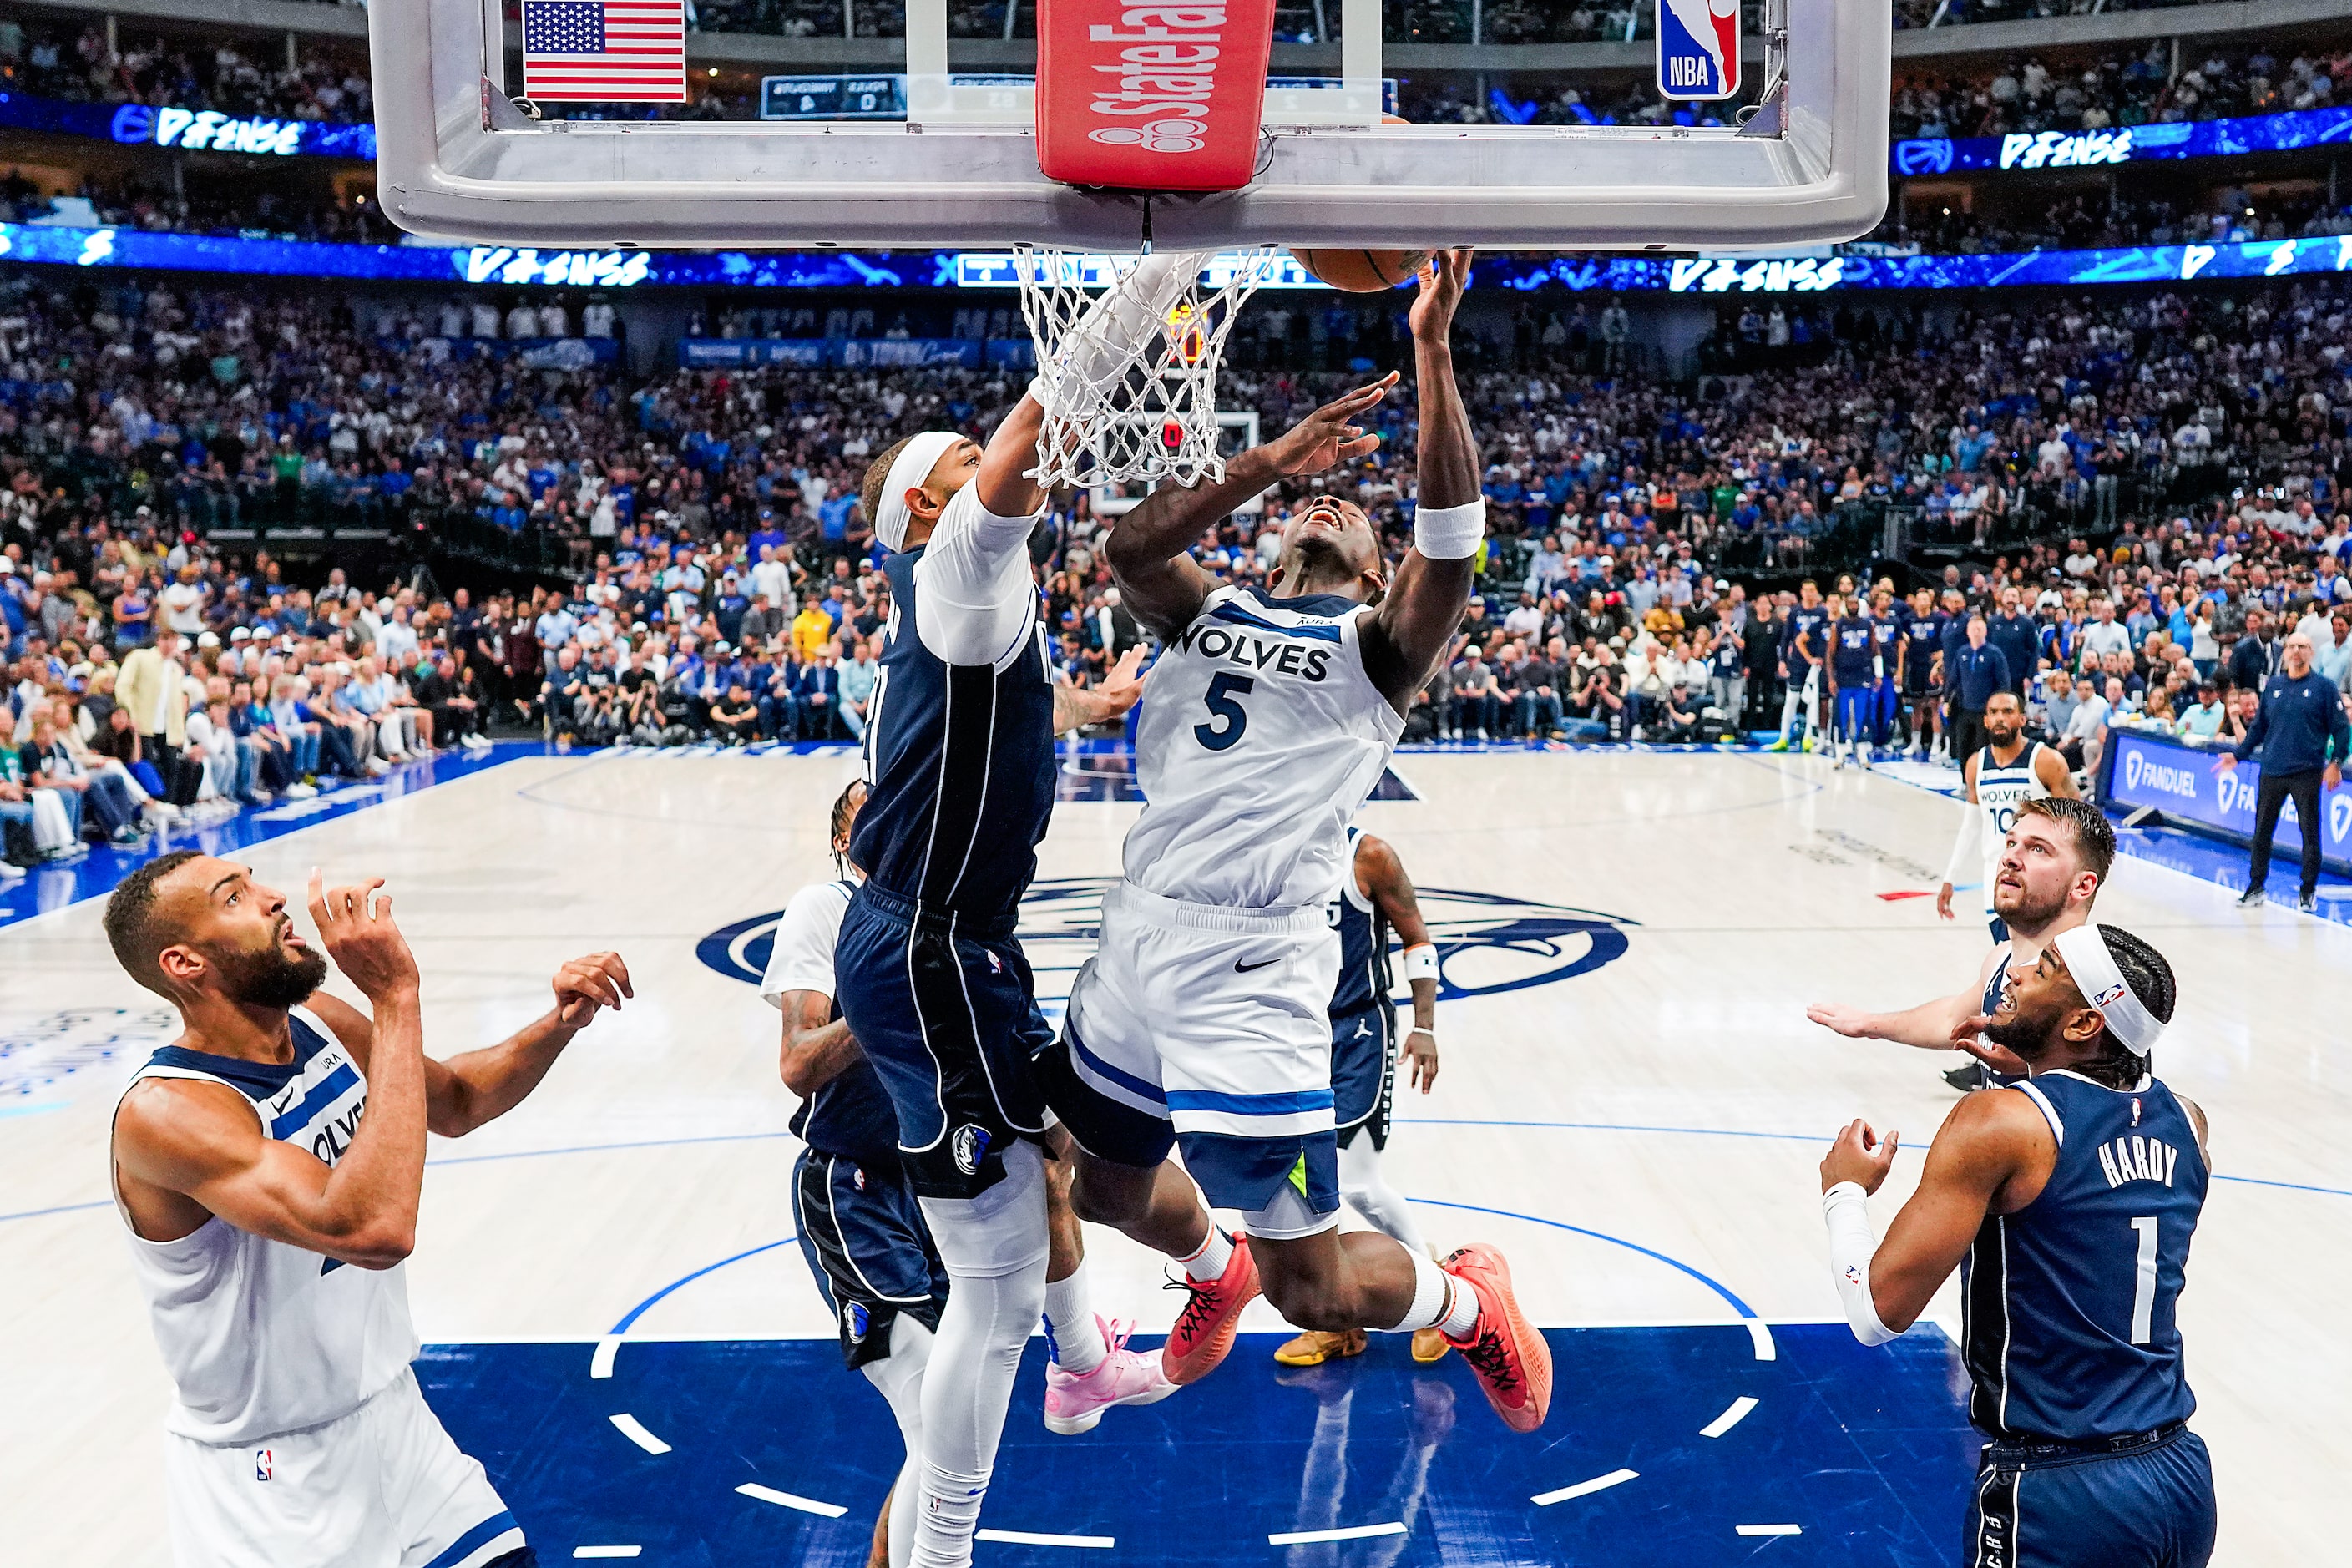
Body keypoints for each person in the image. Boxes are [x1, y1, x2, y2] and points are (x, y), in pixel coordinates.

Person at [1041, 251, 1555, 1437]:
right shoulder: (1204, 608)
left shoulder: (1380, 649)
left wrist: (1430, 350)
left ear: (1380, 571)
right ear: (1275, 544)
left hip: (1253, 965)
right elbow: (1128, 548)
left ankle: (1465, 1302)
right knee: (1103, 1182)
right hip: (1137, 931)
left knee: (1313, 1288)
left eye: (1358, 521)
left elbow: (1457, 538)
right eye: (1311, 507)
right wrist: (1267, 462)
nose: (1331, 511)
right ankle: (1210, 1268)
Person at [833, 247, 1227, 1568]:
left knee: (1037, 1188)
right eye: (952, 464)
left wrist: (1079, 707)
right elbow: (1028, 425)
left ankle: (1087, 1357)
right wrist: (1160, 272)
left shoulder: (971, 605)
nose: (986, 464)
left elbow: (991, 719)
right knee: (991, 1287)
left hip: (945, 944)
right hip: (931, 949)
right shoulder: (954, 569)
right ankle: (946, 1540)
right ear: (922, 513)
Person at [104, 851, 632, 1568]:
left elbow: (457, 1101)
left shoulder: (316, 1020)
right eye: (235, 897)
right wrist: (395, 998)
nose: (274, 898)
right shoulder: (170, 1111)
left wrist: (561, 1022)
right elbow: (371, 1229)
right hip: (273, 1481)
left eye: (256, 881)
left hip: (393, 1417)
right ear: (185, 963)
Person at [763, 781, 1168, 1568]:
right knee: (931, 1418)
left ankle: (1079, 1361)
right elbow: (797, 1064)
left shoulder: (954, 927)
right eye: (866, 813)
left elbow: (1036, 1079)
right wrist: (891, 996)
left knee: (951, 1429)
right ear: (847, 844)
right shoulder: (826, 908)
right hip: (857, 1187)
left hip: (948, 1190)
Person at [1817, 923, 2213, 1568]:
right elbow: (2108, 1122)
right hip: (2179, 1481)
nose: (2018, 971)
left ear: (2084, 1024)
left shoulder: (1999, 1123)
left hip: (2059, 1491)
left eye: (2046, 968)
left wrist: (1844, 1194)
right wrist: (2039, 1066)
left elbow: (1873, 1313)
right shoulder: (2187, 1122)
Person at [1276, 825, 1448, 1368]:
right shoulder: (1264, 851)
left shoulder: (1366, 854)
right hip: (1289, 1036)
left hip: (1358, 1035)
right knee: (1298, 1183)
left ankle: (1437, 1297)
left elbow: (1415, 938)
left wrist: (1424, 1027)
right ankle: (1338, 1319)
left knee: (1356, 1184)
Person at [1809, 797, 2116, 1091]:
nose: (2010, 858)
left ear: (2082, 885)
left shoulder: (2093, 989)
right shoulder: (2001, 959)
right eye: (2011, 843)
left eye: (2038, 849)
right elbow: (1951, 1020)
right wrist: (1868, 1024)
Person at [2215, 629, 2350, 913]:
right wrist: (2238, 756)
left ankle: (2308, 890)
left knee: (2309, 834)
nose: (2297, 650)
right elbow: (2259, 729)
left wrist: (2336, 763)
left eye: (2303, 645)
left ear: (2311, 652)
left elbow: (2341, 729)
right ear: (2285, 651)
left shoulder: (2324, 688)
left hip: (2306, 772)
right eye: (2292, 646)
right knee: (2261, 832)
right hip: (2272, 769)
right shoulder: (2274, 686)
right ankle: (2255, 887)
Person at [1939, 690, 2080, 941]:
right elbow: (1970, 826)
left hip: (2039, 878)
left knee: (2037, 968)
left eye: (2007, 711)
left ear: (2022, 719)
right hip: (1996, 876)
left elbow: (2076, 824)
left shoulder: (2046, 762)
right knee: (2007, 964)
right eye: (1993, 712)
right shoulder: (1976, 764)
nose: (2000, 718)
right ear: (1985, 721)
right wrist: (1950, 878)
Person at [1765, 579, 1828, 752]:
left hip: (1816, 663)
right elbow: (1786, 637)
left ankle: (1808, 738)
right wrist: (1783, 660)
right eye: (1806, 590)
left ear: (1816, 592)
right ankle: (1783, 737)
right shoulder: (1795, 612)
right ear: (1801, 592)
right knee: (1791, 699)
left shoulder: (1823, 613)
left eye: (1812, 590)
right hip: (1798, 662)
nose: (1809, 593)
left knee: (1812, 701)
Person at [1946, 611, 2012, 766]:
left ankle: (1982, 778)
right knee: (1963, 746)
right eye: (1973, 629)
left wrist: (1999, 707)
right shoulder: (1962, 652)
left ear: (1985, 631)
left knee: (1982, 746)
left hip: (1985, 710)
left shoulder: (1994, 653)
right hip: (1965, 708)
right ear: (1967, 632)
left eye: (1979, 629)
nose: (1976, 632)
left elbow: (2003, 682)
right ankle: (1964, 781)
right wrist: (1946, 699)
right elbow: (1953, 679)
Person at [1825, 593, 1880, 769]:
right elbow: (1830, 654)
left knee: (1862, 715)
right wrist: (1831, 678)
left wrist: (1878, 673)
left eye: (1856, 603)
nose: (1853, 606)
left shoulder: (1868, 624)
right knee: (1841, 716)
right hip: (1843, 677)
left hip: (1863, 675)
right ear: (1845, 605)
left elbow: (1875, 649)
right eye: (1850, 603)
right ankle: (1840, 753)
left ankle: (1862, 754)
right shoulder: (1838, 626)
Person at [1895, 585, 1946, 761]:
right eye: (1920, 599)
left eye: (1926, 599)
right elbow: (1899, 639)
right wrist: (1903, 636)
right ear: (1915, 601)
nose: (1923, 602)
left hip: (1932, 666)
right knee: (1916, 706)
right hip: (1915, 665)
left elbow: (1948, 640)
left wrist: (1942, 655)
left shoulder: (1939, 619)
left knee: (1934, 705)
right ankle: (1915, 742)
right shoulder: (1907, 619)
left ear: (1931, 601)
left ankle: (1936, 744)